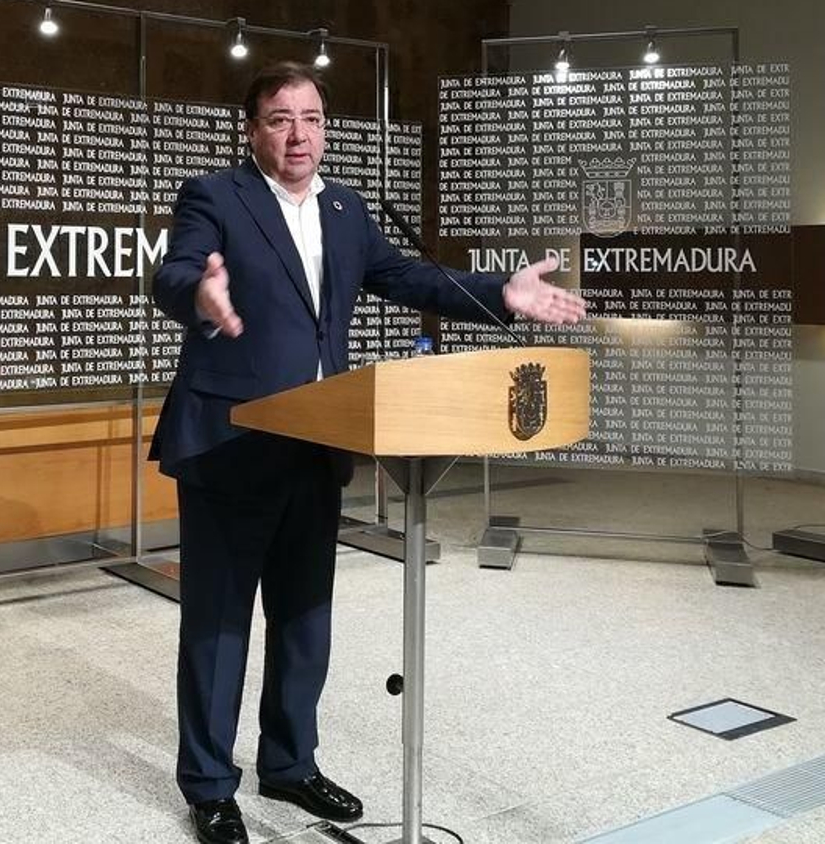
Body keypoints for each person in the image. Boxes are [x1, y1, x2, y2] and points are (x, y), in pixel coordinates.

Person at [151, 61, 586, 844]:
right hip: (231, 442)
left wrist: (501, 293)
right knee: (219, 625)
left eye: (312, 119)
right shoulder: (215, 196)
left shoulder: (345, 209)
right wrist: (202, 297)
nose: (299, 134)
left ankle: (290, 764)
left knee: (304, 617)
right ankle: (210, 787)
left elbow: (407, 276)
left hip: (319, 440)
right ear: (252, 129)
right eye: (280, 119)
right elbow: (175, 273)